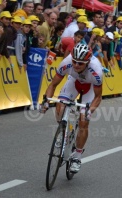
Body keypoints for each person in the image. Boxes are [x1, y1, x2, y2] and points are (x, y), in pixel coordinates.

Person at [40, 44, 103, 173]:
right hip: (74, 82)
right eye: (74, 61)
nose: (76, 65)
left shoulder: (96, 71)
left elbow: (98, 97)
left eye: (80, 63)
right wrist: (46, 101)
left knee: (83, 121)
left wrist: (90, 111)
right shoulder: (66, 63)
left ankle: (77, 157)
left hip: (89, 88)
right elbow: (53, 85)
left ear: (88, 62)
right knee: (60, 107)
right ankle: (63, 131)